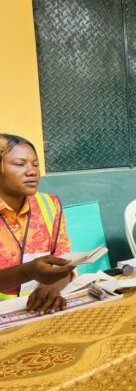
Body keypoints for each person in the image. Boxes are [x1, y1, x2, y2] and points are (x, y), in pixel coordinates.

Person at [0, 133, 74, 315]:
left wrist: (52, 287)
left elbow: (65, 263)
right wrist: (28, 271)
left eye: (35, 164)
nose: (32, 171)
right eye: (19, 164)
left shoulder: (49, 205)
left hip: (37, 311)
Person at [0, 255, 74, 292]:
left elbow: (64, 265)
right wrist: (27, 272)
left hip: (38, 308)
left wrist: (50, 288)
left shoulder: (53, 225)